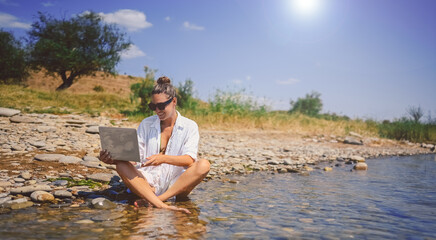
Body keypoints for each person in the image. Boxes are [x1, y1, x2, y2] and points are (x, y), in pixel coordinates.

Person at [100, 76, 210, 213]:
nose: (157, 110)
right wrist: (113, 158)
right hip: (148, 183)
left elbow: (189, 160)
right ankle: (160, 204)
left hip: (175, 185)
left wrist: (163, 158)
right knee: (121, 165)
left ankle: (158, 200)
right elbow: (136, 159)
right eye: (153, 106)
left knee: (204, 164)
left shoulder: (190, 126)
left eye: (161, 106)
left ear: (174, 101)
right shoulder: (146, 124)